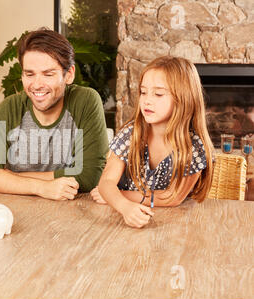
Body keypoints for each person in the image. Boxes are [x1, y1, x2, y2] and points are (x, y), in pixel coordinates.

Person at [0, 28, 109, 200]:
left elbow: (90, 175)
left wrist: (9, 177)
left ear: (69, 75)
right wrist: (42, 187)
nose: (37, 85)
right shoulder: (10, 107)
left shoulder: (86, 101)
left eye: (48, 74)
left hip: (72, 213)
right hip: (14, 210)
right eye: (29, 74)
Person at [91, 56, 214, 228]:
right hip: (116, 218)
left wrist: (118, 196)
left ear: (184, 98)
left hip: (173, 223)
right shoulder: (131, 133)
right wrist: (125, 207)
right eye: (143, 92)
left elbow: (173, 198)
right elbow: (105, 183)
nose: (147, 100)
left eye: (158, 94)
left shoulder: (193, 147)